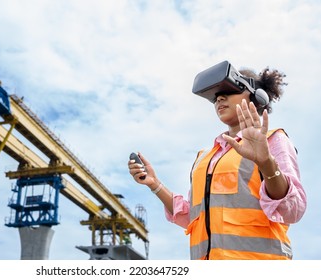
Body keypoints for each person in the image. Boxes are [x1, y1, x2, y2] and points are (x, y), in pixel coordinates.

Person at [128, 61, 307, 260]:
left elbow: (293, 209)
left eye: (228, 91)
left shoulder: (273, 141)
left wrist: (266, 163)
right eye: (214, 97)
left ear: (257, 97)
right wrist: (155, 185)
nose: (219, 98)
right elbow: (193, 217)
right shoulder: (204, 158)